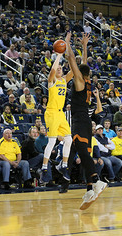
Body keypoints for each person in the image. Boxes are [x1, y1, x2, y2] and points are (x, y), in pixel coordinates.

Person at [64, 32, 107, 210]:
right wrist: (84, 46)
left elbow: (72, 59)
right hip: (84, 122)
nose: (72, 72)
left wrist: (67, 43)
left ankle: (96, 181)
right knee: (83, 155)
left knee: (82, 153)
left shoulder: (80, 82)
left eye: (75, 73)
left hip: (80, 121)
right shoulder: (87, 80)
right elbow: (83, 64)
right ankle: (89, 188)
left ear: (78, 75)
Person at [40, 49, 73, 184]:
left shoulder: (64, 80)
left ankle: (63, 165)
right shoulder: (52, 80)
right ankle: (44, 167)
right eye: (57, 67)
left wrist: (71, 57)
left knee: (69, 139)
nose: (59, 69)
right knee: (52, 141)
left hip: (61, 113)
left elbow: (73, 71)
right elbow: (52, 71)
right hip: (52, 112)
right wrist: (59, 56)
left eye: (61, 68)